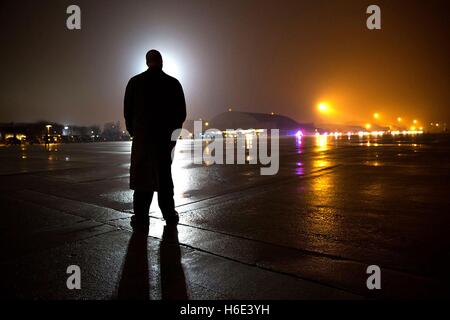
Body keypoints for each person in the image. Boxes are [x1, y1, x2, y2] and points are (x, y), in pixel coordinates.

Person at [124, 49, 186, 230]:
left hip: (142, 142)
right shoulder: (173, 83)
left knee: (142, 181)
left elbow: (127, 112)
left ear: (146, 62)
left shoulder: (134, 82)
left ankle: (141, 218)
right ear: (161, 62)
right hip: (163, 141)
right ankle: (169, 215)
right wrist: (172, 139)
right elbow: (180, 114)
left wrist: (134, 133)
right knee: (164, 180)